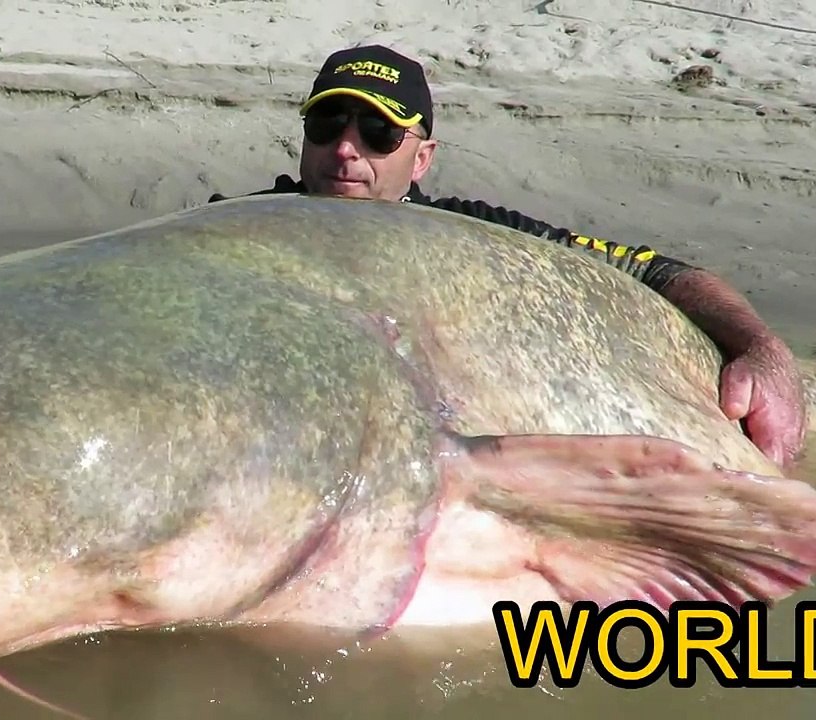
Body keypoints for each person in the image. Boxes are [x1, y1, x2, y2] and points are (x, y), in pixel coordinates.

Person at [207, 43, 807, 469]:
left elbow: (657, 271)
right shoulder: (225, 228)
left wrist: (762, 349)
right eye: (327, 123)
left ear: (421, 159)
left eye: (378, 133)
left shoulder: (481, 233)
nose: (345, 150)